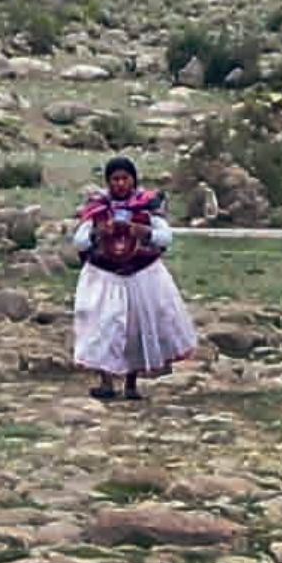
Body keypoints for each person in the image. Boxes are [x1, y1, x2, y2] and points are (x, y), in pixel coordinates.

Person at [71, 156, 198, 400]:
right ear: (108, 182)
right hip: (104, 276)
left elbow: (165, 237)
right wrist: (99, 232)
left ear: (133, 180)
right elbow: (80, 240)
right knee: (103, 326)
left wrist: (144, 232)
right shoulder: (98, 209)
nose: (120, 184)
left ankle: (131, 383)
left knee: (136, 328)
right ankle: (106, 381)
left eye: (124, 178)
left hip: (141, 276)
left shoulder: (146, 207)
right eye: (115, 179)